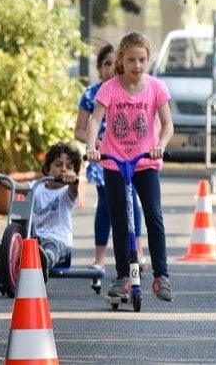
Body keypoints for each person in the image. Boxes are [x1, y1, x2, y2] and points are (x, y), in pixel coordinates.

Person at [85, 31, 175, 302]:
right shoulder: (110, 88)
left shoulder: (156, 88)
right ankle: (123, 276)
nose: (137, 66)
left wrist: (160, 143)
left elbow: (168, 124)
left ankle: (161, 276)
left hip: (145, 161)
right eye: (132, 60)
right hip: (114, 161)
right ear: (121, 60)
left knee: (154, 215)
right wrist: (92, 147)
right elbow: (94, 120)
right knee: (120, 221)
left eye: (142, 60)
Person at [74, 44, 147, 271]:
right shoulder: (90, 94)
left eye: (115, 62)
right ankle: (100, 257)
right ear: (99, 67)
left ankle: (137, 251)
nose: (111, 68)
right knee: (106, 203)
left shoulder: (130, 89)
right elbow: (80, 129)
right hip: (103, 157)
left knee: (132, 201)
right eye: (107, 63)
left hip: (130, 156)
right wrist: (94, 143)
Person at [0, 143, 82, 281]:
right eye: (58, 165)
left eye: (69, 167)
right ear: (47, 168)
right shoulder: (36, 187)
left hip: (58, 242)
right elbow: (15, 186)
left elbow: (74, 190)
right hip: (34, 242)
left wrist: (73, 181)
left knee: (50, 248)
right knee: (18, 245)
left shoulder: (67, 193)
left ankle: (42, 263)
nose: (63, 170)